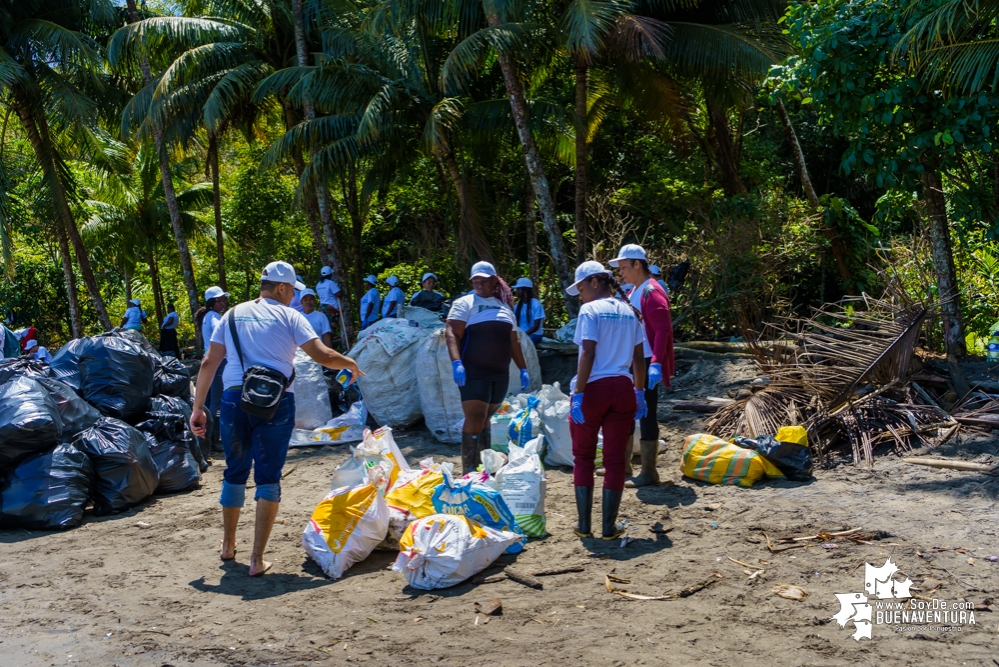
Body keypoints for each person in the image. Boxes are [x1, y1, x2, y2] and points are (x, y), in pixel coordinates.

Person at [190, 261, 363, 577]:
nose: (293, 297)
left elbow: (208, 363)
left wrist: (198, 408)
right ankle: (257, 559)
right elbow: (322, 355)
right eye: (292, 291)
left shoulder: (230, 316)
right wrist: (349, 362)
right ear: (282, 288)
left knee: (235, 470)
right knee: (268, 476)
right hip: (276, 401)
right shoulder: (291, 316)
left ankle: (228, 545)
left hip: (232, 400)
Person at [565, 261, 647, 540]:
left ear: (595, 282)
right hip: (622, 389)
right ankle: (609, 527)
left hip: (594, 389)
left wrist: (578, 394)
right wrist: (639, 391)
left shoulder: (589, 310)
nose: (580, 295)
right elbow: (638, 358)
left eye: (581, 288)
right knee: (614, 460)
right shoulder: (629, 311)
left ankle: (584, 526)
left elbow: (588, 353)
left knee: (583, 457)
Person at [446, 261, 531, 475]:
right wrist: (457, 363)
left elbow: (513, 341)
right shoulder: (465, 303)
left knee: (486, 418)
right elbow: (452, 333)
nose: (479, 284)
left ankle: (484, 467)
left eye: (484, 280)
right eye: (475, 280)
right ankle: (469, 471)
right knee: (475, 416)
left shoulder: (504, 308)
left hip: (499, 373)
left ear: (494, 281)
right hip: (474, 370)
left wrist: (523, 368)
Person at [612, 244, 675, 487]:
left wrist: (657, 363)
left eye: (624, 268)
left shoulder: (652, 291)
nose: (622, 273)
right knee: (628, 410)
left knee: (646, 412)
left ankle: (649, 472)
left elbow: (662, 329)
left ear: (637, 264)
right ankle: (624, 466)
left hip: (647, 360)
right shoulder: (636, 290)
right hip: (635, 360)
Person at [195, 286, 230, 452]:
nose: (223, 303)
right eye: (219, 300)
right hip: (218, 362)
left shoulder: (207, 316)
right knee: (216, 402)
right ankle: (215, 440)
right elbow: (221, 330)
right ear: (212, 303)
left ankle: (205, 440)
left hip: (209, 360)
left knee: (208, 403)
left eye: (224, 300)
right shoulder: (214, 316)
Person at [512, 278, 545, 345]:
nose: (516, 292)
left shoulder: (536, 304)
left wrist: (524, 335)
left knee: (521, 345)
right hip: (522, 334)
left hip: (535, 335)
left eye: (518, 289)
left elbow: (536, 326)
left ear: (525, 291)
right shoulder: (518, 306)